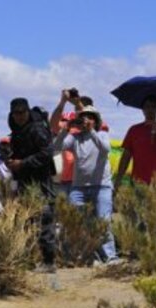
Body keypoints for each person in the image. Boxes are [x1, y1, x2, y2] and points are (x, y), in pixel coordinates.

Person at [53, 98, 118, 264]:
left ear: (96, 120)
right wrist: (66, 128)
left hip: (101, 186)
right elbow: (56, 147)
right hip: (79, 188)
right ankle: (88, 255)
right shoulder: (75, 138)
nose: (86, 120)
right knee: (77, 221)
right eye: (84, 117)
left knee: (103, 222)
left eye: (90, 117)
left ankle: (110, 256)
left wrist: (92, 131)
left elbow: (105, 149)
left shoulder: (102, 134)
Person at [6, 97, 58, 273]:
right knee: (26, 221)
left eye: (22, 112)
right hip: (24, 182)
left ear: (28, 112)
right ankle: (30, 258)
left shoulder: (36, 129)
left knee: (45, 220)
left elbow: (47, 153)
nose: (19, 116)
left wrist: (23, 163)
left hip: (41, 182)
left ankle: (49, 262)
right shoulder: (17, 132)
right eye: (16, 113)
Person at [115, 94, 156, 186]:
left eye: (153, 107)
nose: (150, 110)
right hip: (138, 182)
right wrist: (118, 179)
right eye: (147, 107)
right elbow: (126, 156)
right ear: (143, 110)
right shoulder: (134, 130)